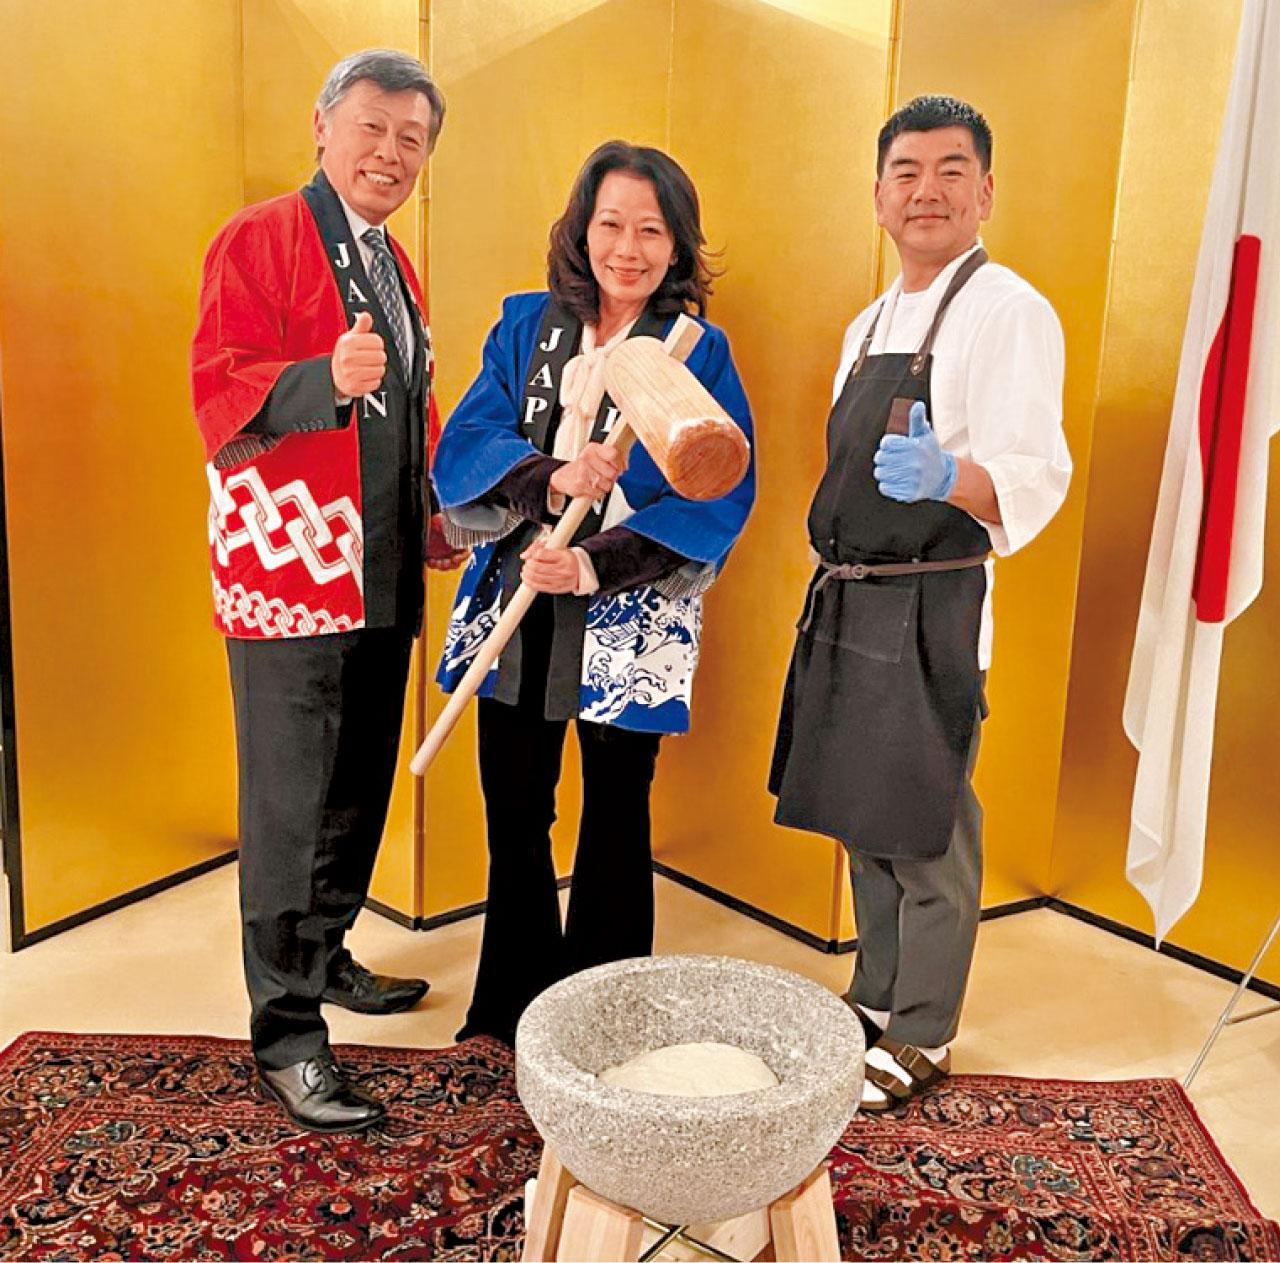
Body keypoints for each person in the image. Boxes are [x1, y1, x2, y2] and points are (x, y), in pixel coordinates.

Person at [769, 96, 1070, 1112]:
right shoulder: (868, 324)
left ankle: (925, 1030)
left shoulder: (1007, 311)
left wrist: (949, 477)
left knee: (926, 820)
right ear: (877, 195)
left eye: (950, 169)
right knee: (863, 808)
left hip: (931, 602)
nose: (926, 188)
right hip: (852, 598)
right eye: (905, 170)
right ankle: (876, 991)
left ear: (983, 190)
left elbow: (1035, 471)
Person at [191, 49, 467, 1133]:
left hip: (384, 566)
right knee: (288, 804)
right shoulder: (257, 238)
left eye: (411, 139)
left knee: (355, 786)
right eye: (371, 127)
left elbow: (419, 402)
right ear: (321, 126)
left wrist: (436, 507)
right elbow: (219, 381)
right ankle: (287, 1034)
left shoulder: (397, 266)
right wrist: (320, 380)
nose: (389, 152)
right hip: (291, 572)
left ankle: (328, 950)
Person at [432, 141, 756, 1046]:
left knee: (617, 809)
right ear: (581, 231)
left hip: (627, 603)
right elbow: (470, 439)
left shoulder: (696, 350)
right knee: (515, 803)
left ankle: (606, 1018)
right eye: (610, 223)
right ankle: (509, 1009)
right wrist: (547, 477)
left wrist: (597, 562)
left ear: (678, 245)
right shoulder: (523, 328)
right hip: (521, 595)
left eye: (652, 230)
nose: (628, 247)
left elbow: (719, 486)